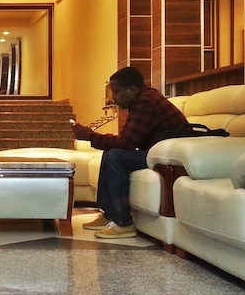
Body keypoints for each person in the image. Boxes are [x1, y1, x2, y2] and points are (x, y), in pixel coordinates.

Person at [70, 66, 187, 239]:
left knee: (115, 156)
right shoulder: (140, 101)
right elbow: (127, 140)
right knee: (112, 152)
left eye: (116, 92)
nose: (114, 98)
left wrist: (90, 136)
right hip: (156, 153)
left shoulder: (147, 102)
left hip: (168, 158)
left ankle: (123, 223)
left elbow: (126, 143)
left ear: (132, 89)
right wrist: (92, 137)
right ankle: (110, 215)